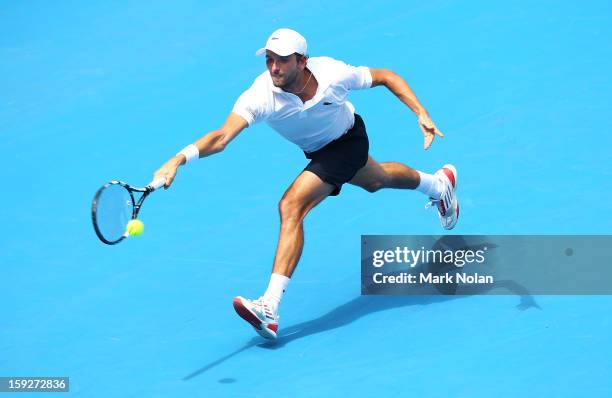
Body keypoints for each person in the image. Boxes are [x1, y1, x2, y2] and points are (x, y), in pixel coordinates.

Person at [153, 28, 459, 340]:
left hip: (349, 140)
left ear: (302, 61)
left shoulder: (332, 74)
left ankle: (269, 306)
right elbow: (221, 137)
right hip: (320, 151)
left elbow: (385, 76)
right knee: (376, 180)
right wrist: (178, 158)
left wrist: (420, 112)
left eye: (282, 61)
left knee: (291, 206)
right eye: (269, 60)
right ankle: (439, 185)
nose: (274, 68)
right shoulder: (260, 96)